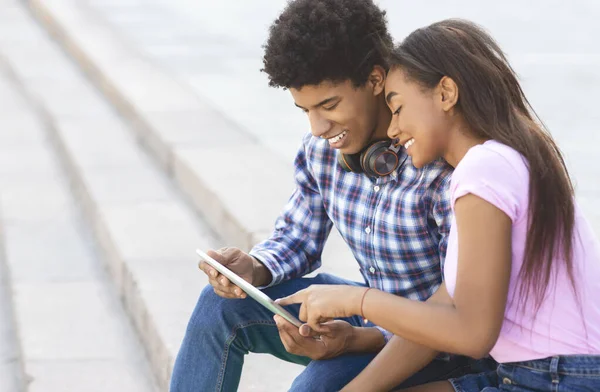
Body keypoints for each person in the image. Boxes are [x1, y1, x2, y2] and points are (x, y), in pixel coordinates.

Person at [170, 2, 492, 392]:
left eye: (329, 105)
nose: (318, 127)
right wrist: (253, 269)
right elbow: (298, 238)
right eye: (304, 109)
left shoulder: (440, 168)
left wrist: (359, 337)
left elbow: (457, 312)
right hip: (372, 319)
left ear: (375, 80)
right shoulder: (320, 151)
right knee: (218, 305)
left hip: (437, 344)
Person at [276, 19, 600, 392]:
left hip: (562, 378)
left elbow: (472, 334)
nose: (393, 130)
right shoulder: (502, 160)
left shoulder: (483, 169)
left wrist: (358, 299)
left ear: (446, 93)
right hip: (536, 372)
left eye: (397, 109)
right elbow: (446, 305)